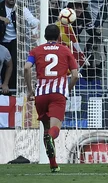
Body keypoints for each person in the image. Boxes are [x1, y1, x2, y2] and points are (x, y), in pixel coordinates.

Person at [24, 24, 79, 173]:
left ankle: (53, 165)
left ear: (45, 36)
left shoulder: (36, 51)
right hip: (57, 94)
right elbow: (75, 75)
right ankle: (51, 141)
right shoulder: (65, 50)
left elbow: (27, 67)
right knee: (54, 130)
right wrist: (66, 90)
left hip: (41, 94)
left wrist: (30, 90)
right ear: (59, 37)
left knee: (46, 129)